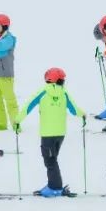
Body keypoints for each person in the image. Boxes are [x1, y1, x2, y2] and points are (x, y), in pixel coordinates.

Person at [16, 67, 85, 197]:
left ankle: (54, 187)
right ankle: (53, 184)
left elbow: (28, 106)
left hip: (47, 134)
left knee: (50, 161)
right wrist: (83, 115)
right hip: (60, 134)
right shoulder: (64, 93)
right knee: (52, 159)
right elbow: (74, 110)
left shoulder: (43, 91)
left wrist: (17, 120)